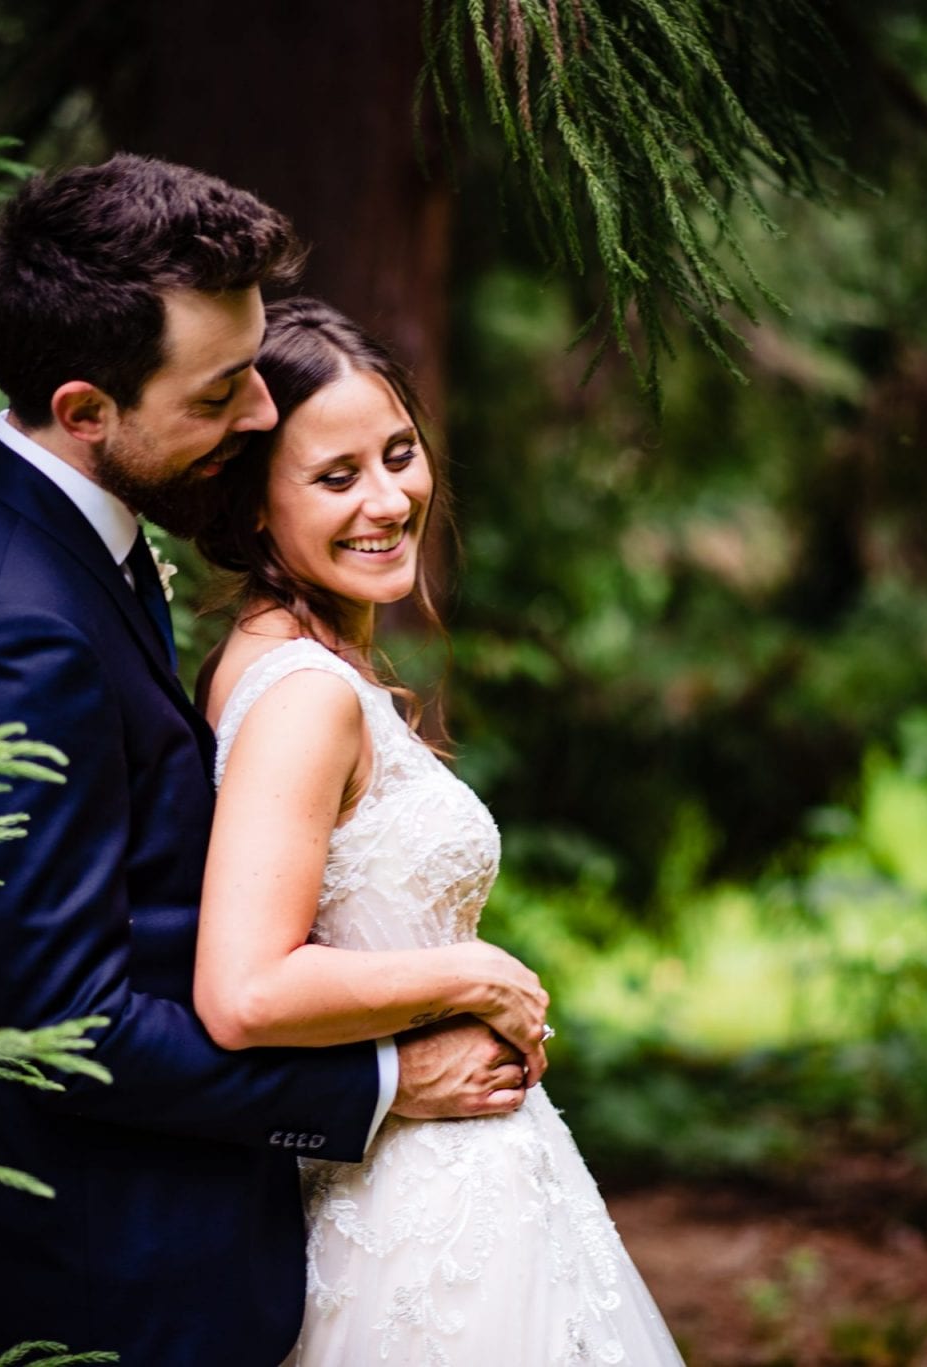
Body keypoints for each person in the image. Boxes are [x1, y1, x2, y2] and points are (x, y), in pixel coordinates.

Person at [0, 156, 540, 1366]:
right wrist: (378, 1087)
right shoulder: (10, 619)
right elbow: (66, 1023)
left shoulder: (64, 547)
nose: (262, 414)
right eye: (222, 393)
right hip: (106, 1278)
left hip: (157, 1238)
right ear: (84, 410)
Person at [192, 297, 686, 1365]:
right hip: (415, 1215)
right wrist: (475, 976)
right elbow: (245, 990)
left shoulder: (309, 667)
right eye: (335, 476)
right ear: (251, 504)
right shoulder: (302, 695)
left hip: (458, 1186)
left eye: (399, 454)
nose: (386, 499)